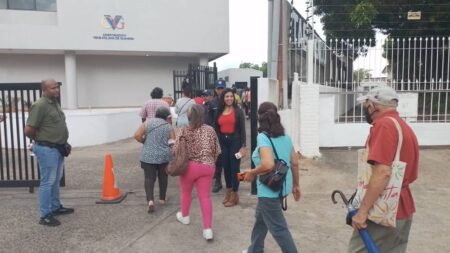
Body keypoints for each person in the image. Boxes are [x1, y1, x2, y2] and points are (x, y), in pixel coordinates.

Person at [348, 85, 419, 253]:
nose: (365, 108)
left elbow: (382, 172)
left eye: (366, 104)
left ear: (374, 106)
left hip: (384, 209)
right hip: (402, 206)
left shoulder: (384, 126)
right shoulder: (403, 127)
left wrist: (362, 212)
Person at [242, 101, 301, 253]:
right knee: (260, 223)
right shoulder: (286, 137)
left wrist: (252, 172)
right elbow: (294, 163)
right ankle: (254, 250)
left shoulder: (263, 137)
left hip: (269, 192)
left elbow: (268, 164)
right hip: (281, 188)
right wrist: (296, 185)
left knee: (280, 230)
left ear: (260, 117)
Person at [24, 79, 74, 226]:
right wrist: (43, 141)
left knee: (56, 180)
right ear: (44, 89)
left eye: (57, 87)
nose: (57, 90)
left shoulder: (54, 103)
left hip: (58, 148)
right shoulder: (39, 105)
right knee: (47, 182)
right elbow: (29, 130)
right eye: (53, 88)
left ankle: (55, 207)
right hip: (47, 149)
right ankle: (45, 215)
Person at [175, 104, 221, 241]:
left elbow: (176, 151)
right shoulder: (210, 130)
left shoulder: (183, 130)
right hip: (207, 167)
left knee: (185, 192)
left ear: (188, 117)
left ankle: (185, 216)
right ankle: (208, 230)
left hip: (189, 167)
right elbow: (217, 151)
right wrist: (210, 162)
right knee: (205, 197)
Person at [134, 106, 175, 213]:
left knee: (149, 178)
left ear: (156, 114)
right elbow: (172, 142)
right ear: (166, 116)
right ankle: (162, 198)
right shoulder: (168, 126)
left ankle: (150, 201)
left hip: (148, 156)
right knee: (163, 177)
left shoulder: (147, 123)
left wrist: (144, 141)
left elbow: (137, 135)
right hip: (163, 156)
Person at [214, 88, 246, 207]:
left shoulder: (238, 111)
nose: (229, 98)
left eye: (231, 96)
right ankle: (228, 191)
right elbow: (216, 127)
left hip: (235, 141)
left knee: (235, 169)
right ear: (223, 98)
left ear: (234, 98)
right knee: (226, 168)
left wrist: (243, 146)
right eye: (227, 96)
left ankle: (235, 193)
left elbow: (242, 130)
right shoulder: (219, 110)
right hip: (223, 141)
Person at [208, 79, 226, 192]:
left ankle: (237, 182)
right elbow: (209, 120)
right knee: (218, 160)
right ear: (216, 90)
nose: (220, 90)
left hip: (231, 136)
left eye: (222, 88)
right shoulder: (212, 103)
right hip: (217, 136)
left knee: (234, 160)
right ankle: (218, 182)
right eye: (218, 88)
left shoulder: (230, 101)